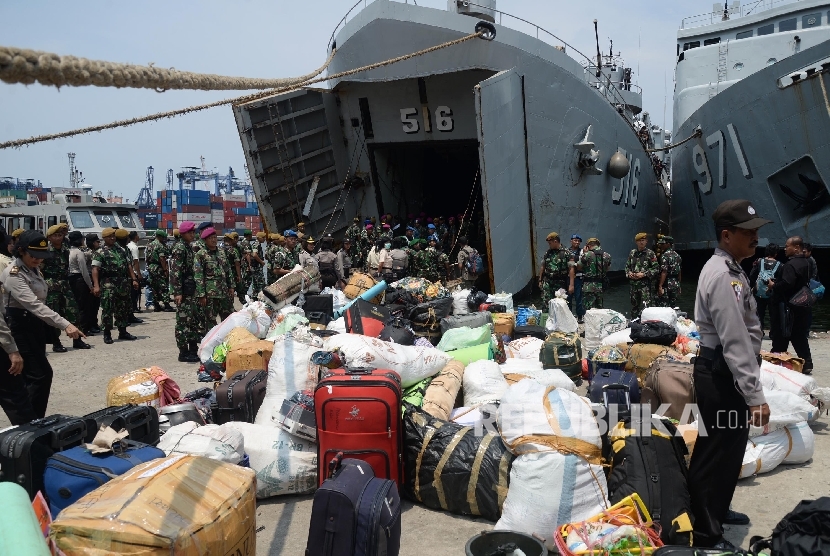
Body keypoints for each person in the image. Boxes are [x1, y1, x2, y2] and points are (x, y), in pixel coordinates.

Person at [691, 199, 771, 551]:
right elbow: (735, 339)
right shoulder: (724, 275)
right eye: (749, 232)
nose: (756, 238)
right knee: (716, 454)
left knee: (728, 450)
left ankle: (717, 511)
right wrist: (755, 395)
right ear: (727, 235)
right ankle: (706, 533)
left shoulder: (732, 269)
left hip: (724, 373)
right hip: (721, 373)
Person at [1, 230, 85, 419]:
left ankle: (32, 421)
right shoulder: (14, 274)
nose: (38, 260)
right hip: (19, 327)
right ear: (21, 251)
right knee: (41, 375)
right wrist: (65, 325)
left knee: (32, 376)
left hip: (34, 325)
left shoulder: (32, 268)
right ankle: (31, 423)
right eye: (34, 256)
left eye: (41, 256)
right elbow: (34, 305)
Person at [768, 236, 813, 374]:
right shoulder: (807, 262)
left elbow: (787, 283)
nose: (785, 248)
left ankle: (776, 360)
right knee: (798, 335)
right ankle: (807, 362)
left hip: (787, 307)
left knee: (781, 334)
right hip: (801, 304)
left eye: (787, 246)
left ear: (796, 248)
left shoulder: (790, 265)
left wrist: (773, 285)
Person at [92, 228, 137, 344]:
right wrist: (96, 286)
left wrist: (134, 279)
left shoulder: (121, 250)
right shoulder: (100, 252)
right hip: (108, 282)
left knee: (122, 307)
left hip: (122, 282)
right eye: (109, 236)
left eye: (113, 236)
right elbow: (95, 269)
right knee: (107, 309)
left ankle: (123, 331)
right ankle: (107, 334)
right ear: (104, 238)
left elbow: (129, 265)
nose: (112, 238)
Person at [40, 224, 79, 352]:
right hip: (51, 285)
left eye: (60, 235)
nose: (59, 237)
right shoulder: (45, 252)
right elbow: (39, 270)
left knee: (73, 311)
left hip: (65, 284)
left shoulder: (65, 248)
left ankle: (77, 340)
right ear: (49, 237)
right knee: (54, 313)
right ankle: (56, 343)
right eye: (55, 235)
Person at [169, 221, 200, 363]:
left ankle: (193, 349)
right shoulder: (180, 249)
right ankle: (183, 352)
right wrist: (177, 292)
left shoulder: (188, 247)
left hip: (190, 290)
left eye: (194, 232)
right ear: (183, 234)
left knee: (192, 320)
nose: (193, 234)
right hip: (184, 291)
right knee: (183, 322)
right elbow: (175, 272)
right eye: (190, 232)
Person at [194, 227, 235, 327]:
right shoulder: (201, 254)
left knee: (228, 320)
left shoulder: (221, 252)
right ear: (205, 240)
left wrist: (231, 287)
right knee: (210, 322)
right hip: (210, 295)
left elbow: (227, 270)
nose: (213, 240)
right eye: (210, 238)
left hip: (224, 293)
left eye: (215, 237)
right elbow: (198, 275)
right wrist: (201, 295)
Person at [67, 231, 94, 344]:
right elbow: (84, 271)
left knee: (76, 305)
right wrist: (90, 285)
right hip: (79, 279)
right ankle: (82, 331)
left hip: (71, 279)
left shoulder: (68, 251)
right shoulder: (79, 252)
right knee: (83, 308)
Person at [748, 243, 780, 337]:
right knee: (773, 314)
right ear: (776, 253)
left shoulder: (759, 261)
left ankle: (759, 332)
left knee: (758, 313)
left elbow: (752, 275)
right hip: (771, 292)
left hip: (758, 292)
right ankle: (773, 333)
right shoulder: (780, 265)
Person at [625, 232, 658, 319]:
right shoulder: (632, 253)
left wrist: (644, 274)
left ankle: (645, 324)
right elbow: (627, 267)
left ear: (646, 241)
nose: (641, 242)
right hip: (634, 286)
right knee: (634, 307)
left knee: (646, 307)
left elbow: (656, 269)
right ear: (636, 242)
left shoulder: (650, 253)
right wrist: (629, 273)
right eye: (639, 241)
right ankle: (634, 323)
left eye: (643, 240)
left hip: (645, 286)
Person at [538, 232, 574, 309]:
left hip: (560, 282)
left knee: (560, 304)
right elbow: (543, 266)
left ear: (555, 241)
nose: (549, 245)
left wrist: (571, 285)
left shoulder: (567, 253)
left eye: (550, 243)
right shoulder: (548, 252)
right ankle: (546, 319)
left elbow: (571, 269)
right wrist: (540, 280)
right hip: (548, 282)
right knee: (546, 303)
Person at [114, 229, 142, 325]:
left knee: (128, 298)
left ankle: (129, 316)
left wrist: (133, 278)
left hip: (127, 278)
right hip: (118, 279)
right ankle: (121, 319)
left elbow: (129, 264)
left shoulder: (126, 248)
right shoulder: (116, 249)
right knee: (120, 301)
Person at [145, 230, 175, 312]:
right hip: (158, 267)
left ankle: (156, 305)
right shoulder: (160, 245)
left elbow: (147, 258)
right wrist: (165, 270)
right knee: (163, 286)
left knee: (154, 286)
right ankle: (166, 305)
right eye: (164, 237)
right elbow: (162, 258)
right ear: (160, 237)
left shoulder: (150, 245)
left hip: (151, 267)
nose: (165, 239)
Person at [579, 238, 611, 310]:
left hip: (588, 286)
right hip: (600, 285)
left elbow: (579, 266)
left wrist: (583, 254)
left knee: (588, 309)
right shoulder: (607, 255)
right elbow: (608, 268)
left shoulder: (587, 254)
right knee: (599, 308)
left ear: (588, 246)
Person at [657, 235, 682, 309]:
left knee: (663, 306)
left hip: (667, 284)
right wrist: (679, 285)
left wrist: (660, 286)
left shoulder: (665, 256)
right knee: (672, 306)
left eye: (663, 244)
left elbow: (664, 272)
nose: (661, 245)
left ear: (668, 244)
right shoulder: (677, 256)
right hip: (675, 284)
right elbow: (679, 271)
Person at [83, 234, 102, 333]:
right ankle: (90, 325)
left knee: (96, 304)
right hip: (90, 280)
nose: (99, 243)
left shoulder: (96, 252)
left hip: (96, 279)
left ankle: (94, 323)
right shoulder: (87, 253)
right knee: (91, 305)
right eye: (97, 242)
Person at [568, 235, 585, 323]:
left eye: (578, 241)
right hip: (568, 278)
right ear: (571, 241)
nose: (577, 242)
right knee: (568, 298)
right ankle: (569, 315)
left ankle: (580, 316)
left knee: (579, 298)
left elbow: (582, 265)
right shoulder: (567, 251)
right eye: (575, 240)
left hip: (578, 278)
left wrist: (574, 265)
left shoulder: (582, 251)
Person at [127, 231, 141, 313]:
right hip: (134, 272)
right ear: (135, 236)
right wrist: (138, 274)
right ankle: (134, 307)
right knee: (135, 292)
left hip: (129, 271)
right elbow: (136, 262)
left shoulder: (128, 245)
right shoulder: (134, 247)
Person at [249, 232, 267, 298]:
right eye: (263, 238)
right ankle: (259, 296)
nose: (264, 239)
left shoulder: (258, 244)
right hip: (256, 267)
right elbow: (254, 254)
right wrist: (261, 262)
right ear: (259, 238)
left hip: (256, 267)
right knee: (260, 283)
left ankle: (255, 297)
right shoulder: (256, 244)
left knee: (256, 283)